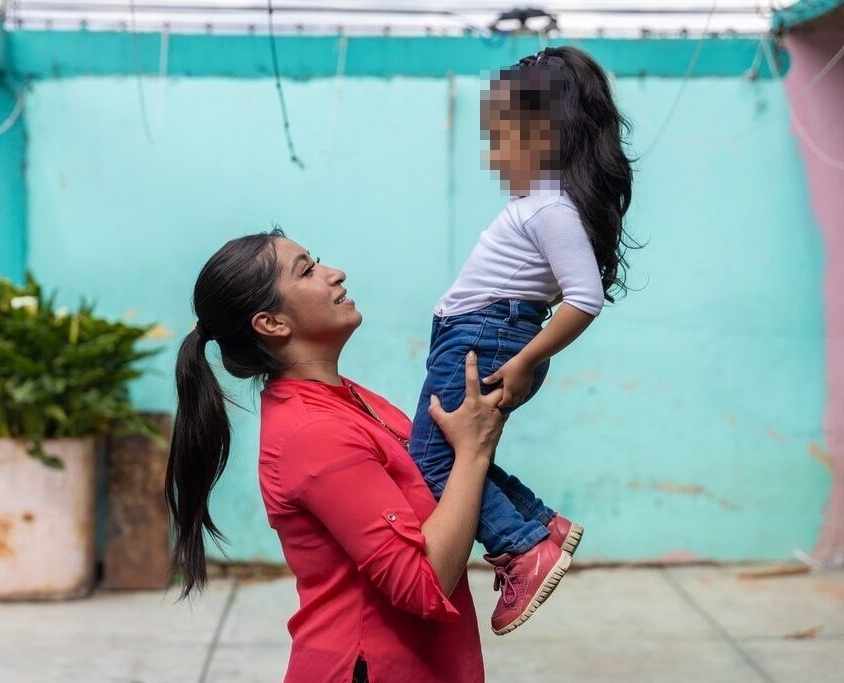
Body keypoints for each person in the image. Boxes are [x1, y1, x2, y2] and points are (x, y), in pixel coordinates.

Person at [166, 230, 508, 683]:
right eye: (307, 270)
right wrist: (474, 452)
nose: (334, 274)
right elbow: (422, 585)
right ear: (272, 324)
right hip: (369, 667)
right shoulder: (315, 432)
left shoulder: (348, 398)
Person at [407, 45, 636, 636]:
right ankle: (539, 525)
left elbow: (583, 298)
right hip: (480, 336)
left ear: (541, 136)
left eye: (499, 138)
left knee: (431, 461)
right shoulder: (540, 205)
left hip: (482, 339)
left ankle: (521, 548)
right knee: (448, 457)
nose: (492, 154)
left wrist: (526, 359)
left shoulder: (547, 209)